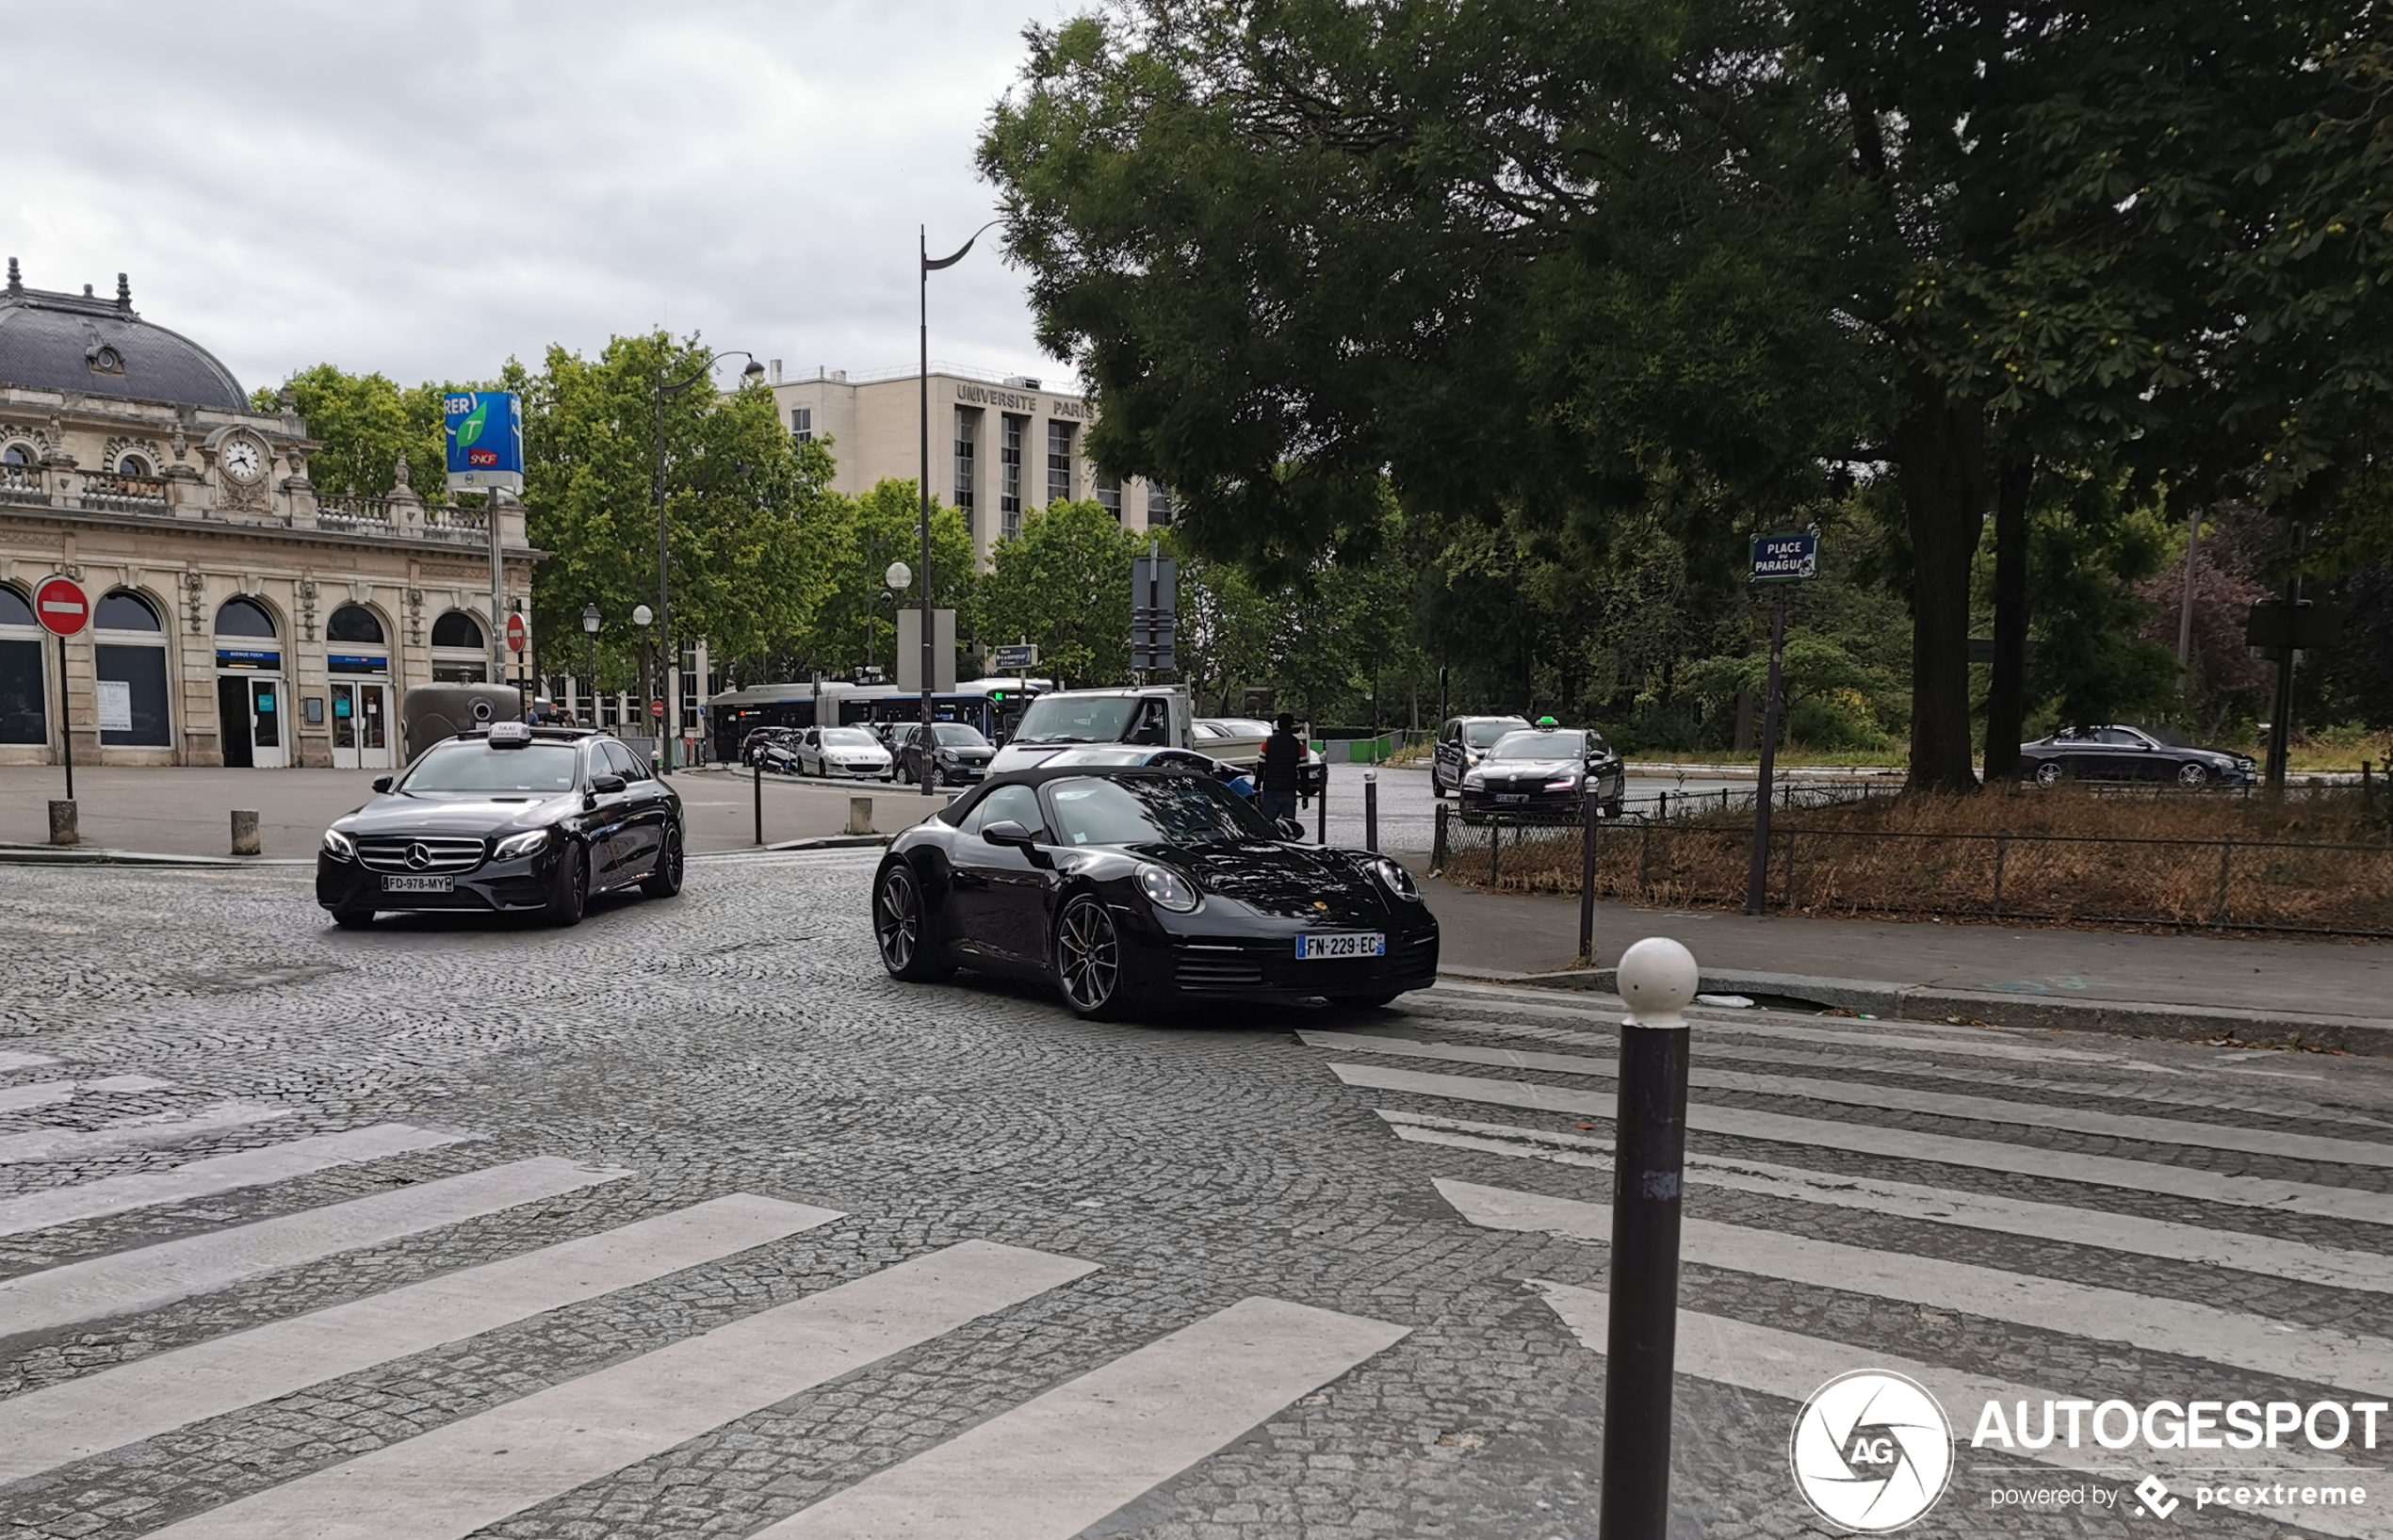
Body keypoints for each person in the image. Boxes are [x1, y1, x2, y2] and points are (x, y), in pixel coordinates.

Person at [1260, 712, 1304, 826]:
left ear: (1278, 725)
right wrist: (1305, 793)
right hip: (1289, 788)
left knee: (1268, 826)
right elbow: (1304, 769)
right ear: (1291, 725)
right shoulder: (1298, 744)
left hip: (1271, 788)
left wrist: (1256, 788)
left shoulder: (1268, 743)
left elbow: (1260, 765)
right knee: (1289, 827)